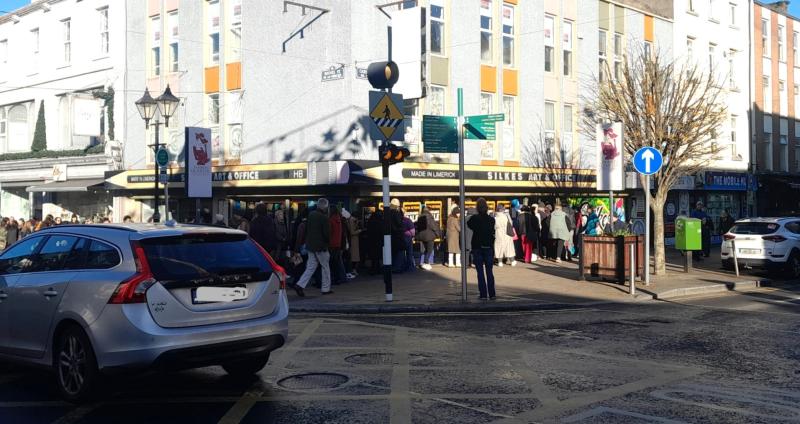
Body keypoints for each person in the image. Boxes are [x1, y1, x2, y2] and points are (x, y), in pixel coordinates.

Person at [293, 198, 333, 297]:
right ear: (325, 207)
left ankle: (300, 285)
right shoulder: (324, 218)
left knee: (310, 267)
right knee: (325, 267)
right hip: (321, 247)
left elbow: (308, 230)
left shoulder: (311, 215)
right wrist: (327, 244)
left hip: (310, 246)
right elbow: (327, 234)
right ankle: (325, 288)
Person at [468, 198, 496, 300]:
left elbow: (469, 225)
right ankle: (492, 293)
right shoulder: (491, 220)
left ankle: (483, 294)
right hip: (488, 246)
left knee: (480, 272)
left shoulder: (474, 219)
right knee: (489, 271)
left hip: (477, 247)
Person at [416, 205, 440, 270]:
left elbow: (417, 227)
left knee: (425, 250)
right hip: (429, 236)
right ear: (429, 210)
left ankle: (423, 263)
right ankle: (426, 263)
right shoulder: (430, 217)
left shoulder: (420, 216)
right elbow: (434, 227)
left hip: (422, 236)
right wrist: (438, 234)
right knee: (429, 250)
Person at [328, 205, 347, 284]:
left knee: (332, 263)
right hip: (338, 243)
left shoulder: (331, 220)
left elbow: (329, 233)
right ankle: (340, 278)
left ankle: (335, 278)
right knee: (338, 262)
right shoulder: (339, 219)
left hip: (332, 244)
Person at [342, 209, 361, 278]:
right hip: (354, 240)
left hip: (351, 240)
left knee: (352, 256)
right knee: (354, 257)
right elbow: (352, 232)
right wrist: (359, 230)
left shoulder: (349, 220)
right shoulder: (353, 220)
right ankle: (353, 270)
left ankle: (352, 270)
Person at [366, 209, 384, 275]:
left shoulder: (371, 221)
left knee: (374, 257)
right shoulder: (381, 222)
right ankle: (377, 268)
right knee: (378, 256)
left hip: (372, 241)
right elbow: (382, 232)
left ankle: (374, 268)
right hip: (378, 241)